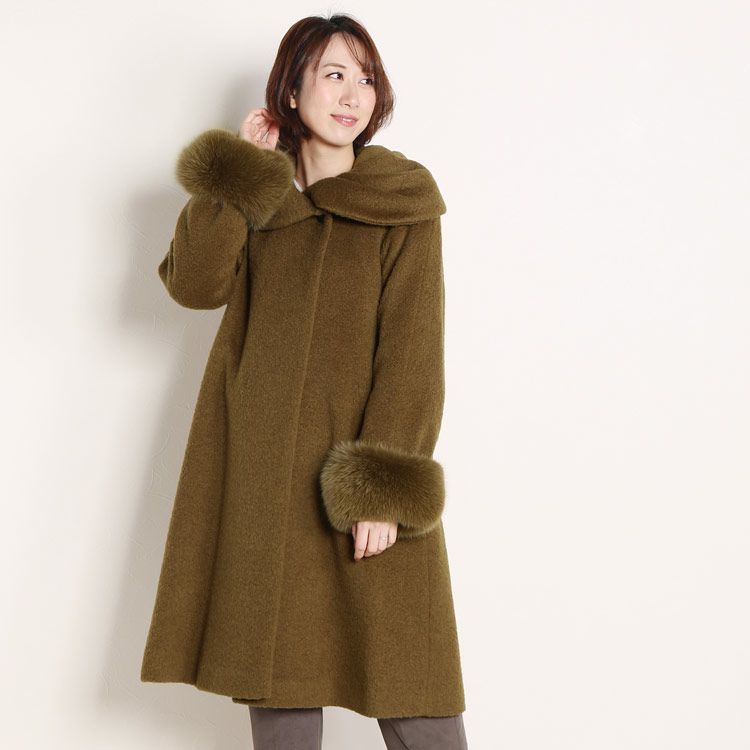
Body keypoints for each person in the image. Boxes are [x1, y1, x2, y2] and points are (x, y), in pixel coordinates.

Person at [141, 13, 468, 749]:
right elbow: (194, 286)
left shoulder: (403, 200)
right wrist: (239, 172)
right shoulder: (259, 199)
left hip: (360, 473)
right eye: (333, 74)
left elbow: (413, 353)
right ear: (291, 91)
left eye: (366, 78)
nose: (353, 95)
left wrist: (380, 491)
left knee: (412, 682)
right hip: (263, 476)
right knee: (280, 680)